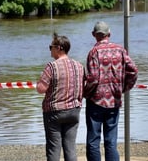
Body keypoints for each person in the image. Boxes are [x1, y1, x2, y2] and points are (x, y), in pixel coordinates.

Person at [83, 21, 138, 161]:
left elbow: (94, 78)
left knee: (93, 141)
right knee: (111, 141)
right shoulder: (120, 50)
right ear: (109, 34)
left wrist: (85, 93)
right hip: (114, 100)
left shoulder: (94, 52)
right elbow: (133, 71)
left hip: (96, 101)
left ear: (93, 35)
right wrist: (124, 88)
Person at [37, 33, 85, 161]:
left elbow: (40, 89)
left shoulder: (51, 67)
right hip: (74, 111)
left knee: (54, 148)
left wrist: (39, 80)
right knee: (70, 148)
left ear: (59, 48)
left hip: (54, 113)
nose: (50, 49)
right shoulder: (79, 66)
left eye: (51, 47)